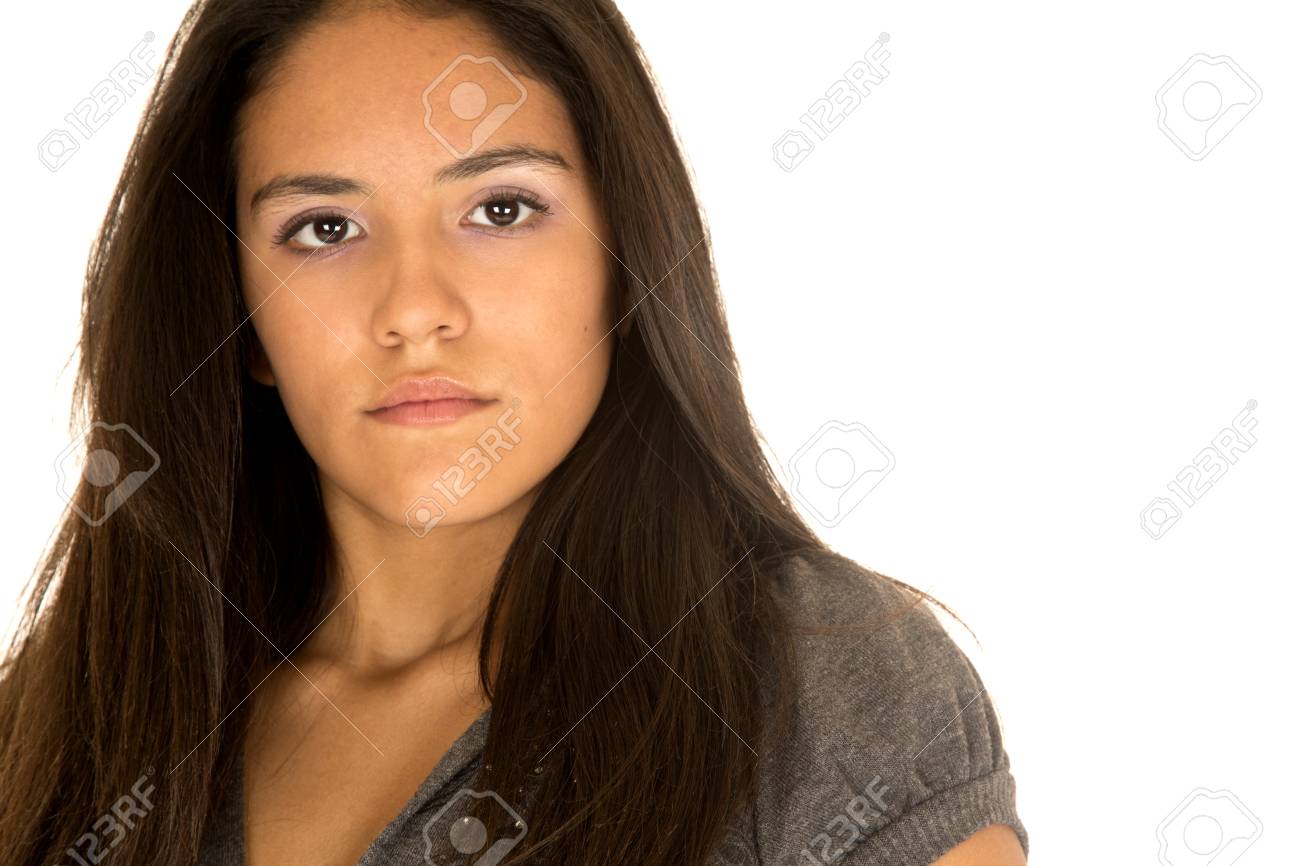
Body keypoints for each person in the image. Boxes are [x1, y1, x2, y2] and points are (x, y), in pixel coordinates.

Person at [0, 2, 1028, 864]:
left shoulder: (824, 681)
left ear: (623, 255)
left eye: (499, 210)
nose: (415, 310)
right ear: (239, 314)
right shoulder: (49, 731)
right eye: (324, 229)